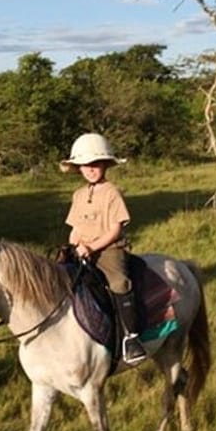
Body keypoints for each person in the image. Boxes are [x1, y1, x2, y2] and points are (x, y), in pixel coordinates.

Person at [60, 133, 146, 364]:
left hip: (108, 250)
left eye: (95, 164)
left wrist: (92, 247)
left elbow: (115, 230)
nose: (90, 169)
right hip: (82, 249)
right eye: (85, 165)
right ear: (78, 168)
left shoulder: (112, 193)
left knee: (119, 282)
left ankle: (131, 337)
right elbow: (76, 228)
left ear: (106, 164)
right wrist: (74, 244)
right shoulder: (78, 195)